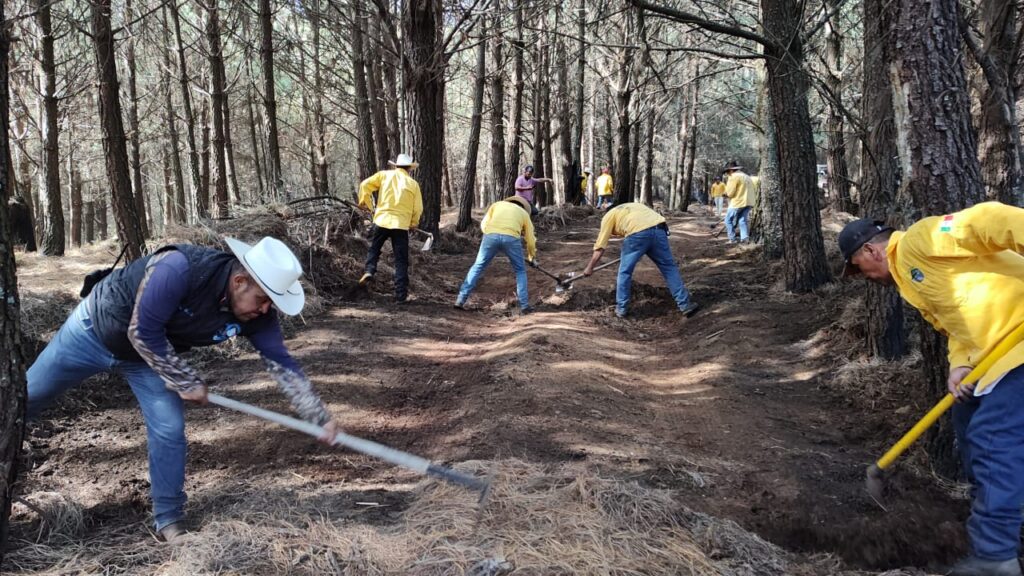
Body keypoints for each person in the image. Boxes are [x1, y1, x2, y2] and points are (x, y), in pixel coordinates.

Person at [26, 237, 341, 542]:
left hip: (146, 359)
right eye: (262, 299)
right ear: (239, 281)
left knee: (169, 429)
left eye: (272, 303)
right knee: (27, 395)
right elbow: (143, 330)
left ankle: (169, 519)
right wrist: (185, 380)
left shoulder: (259, 316)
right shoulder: (178, 268)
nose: (265, 309)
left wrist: (318, 416)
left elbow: (282, 363)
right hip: (92, 331)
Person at [840, 202, 1024, 576]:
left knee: (991, 439)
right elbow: (958, 322)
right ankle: (1003, 522)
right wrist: (960, 364)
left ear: (871, 251)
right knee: (968, 430)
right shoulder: (911, 282)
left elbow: (992, 219)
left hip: (1017, 348)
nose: (865, 278)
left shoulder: (919, 241)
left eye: (859, 269)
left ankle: (995, 557)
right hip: (993, 357)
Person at [583, 202, 699, 319]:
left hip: (637, 235)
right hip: (659, 230)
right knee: (669, 268)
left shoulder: (608, 216)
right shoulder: (633, 206)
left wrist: (590, 267)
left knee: (625, 272)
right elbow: (646, 224)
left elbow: (600, 246)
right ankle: (685, 305)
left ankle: (621, 309)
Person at [357, 153, 424, 303]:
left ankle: (369, 270)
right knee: (401, 260)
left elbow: (364, 185)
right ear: (409, 169)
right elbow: (418, 208)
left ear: (396, 166)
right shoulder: (413, 184)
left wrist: (366, 204)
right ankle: (401, 294)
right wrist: (413, 223)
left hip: (382, 220)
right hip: (401, 225)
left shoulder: (384, 175)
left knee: (374, 249)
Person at [455, 196, 537, 314]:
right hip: (511, 238)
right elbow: (530, 239)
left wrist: (492, 236)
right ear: (523, 206)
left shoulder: (497, 205)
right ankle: (524, 306)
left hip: (490, 236)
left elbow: (483, 225)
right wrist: (531, 257)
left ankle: (460, 299)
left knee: (478, 266)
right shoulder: (523, 213)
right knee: (520, 271)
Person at [723, 161, 754, 244]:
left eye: (727, 172)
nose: (727, 174)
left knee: (728, 220)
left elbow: (730, 193)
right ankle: (744, 238)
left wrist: (725, 194)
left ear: (731, 170)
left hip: (738, 202)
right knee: (742, 220)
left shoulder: (733, 176)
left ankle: (732, 239)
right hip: (749, 201)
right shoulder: (746, 176)